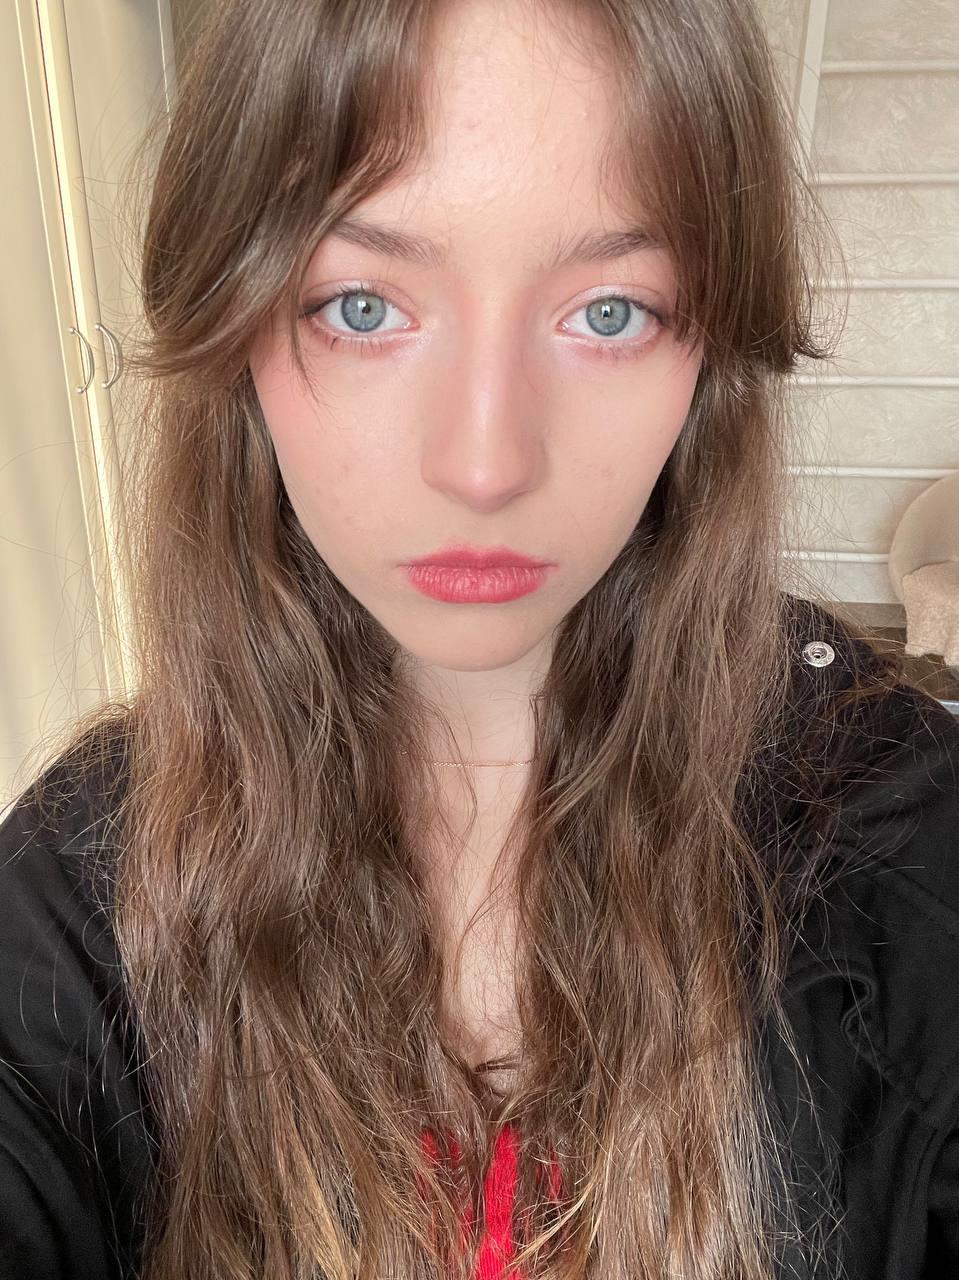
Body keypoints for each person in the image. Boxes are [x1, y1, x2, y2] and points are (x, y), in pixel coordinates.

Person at [1, 0, 958, 1276]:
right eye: (360, 305)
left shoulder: (900, 838)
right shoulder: (85, 885)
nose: (485, 463)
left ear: (708, 357)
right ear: (234, 333)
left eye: (609, 312)